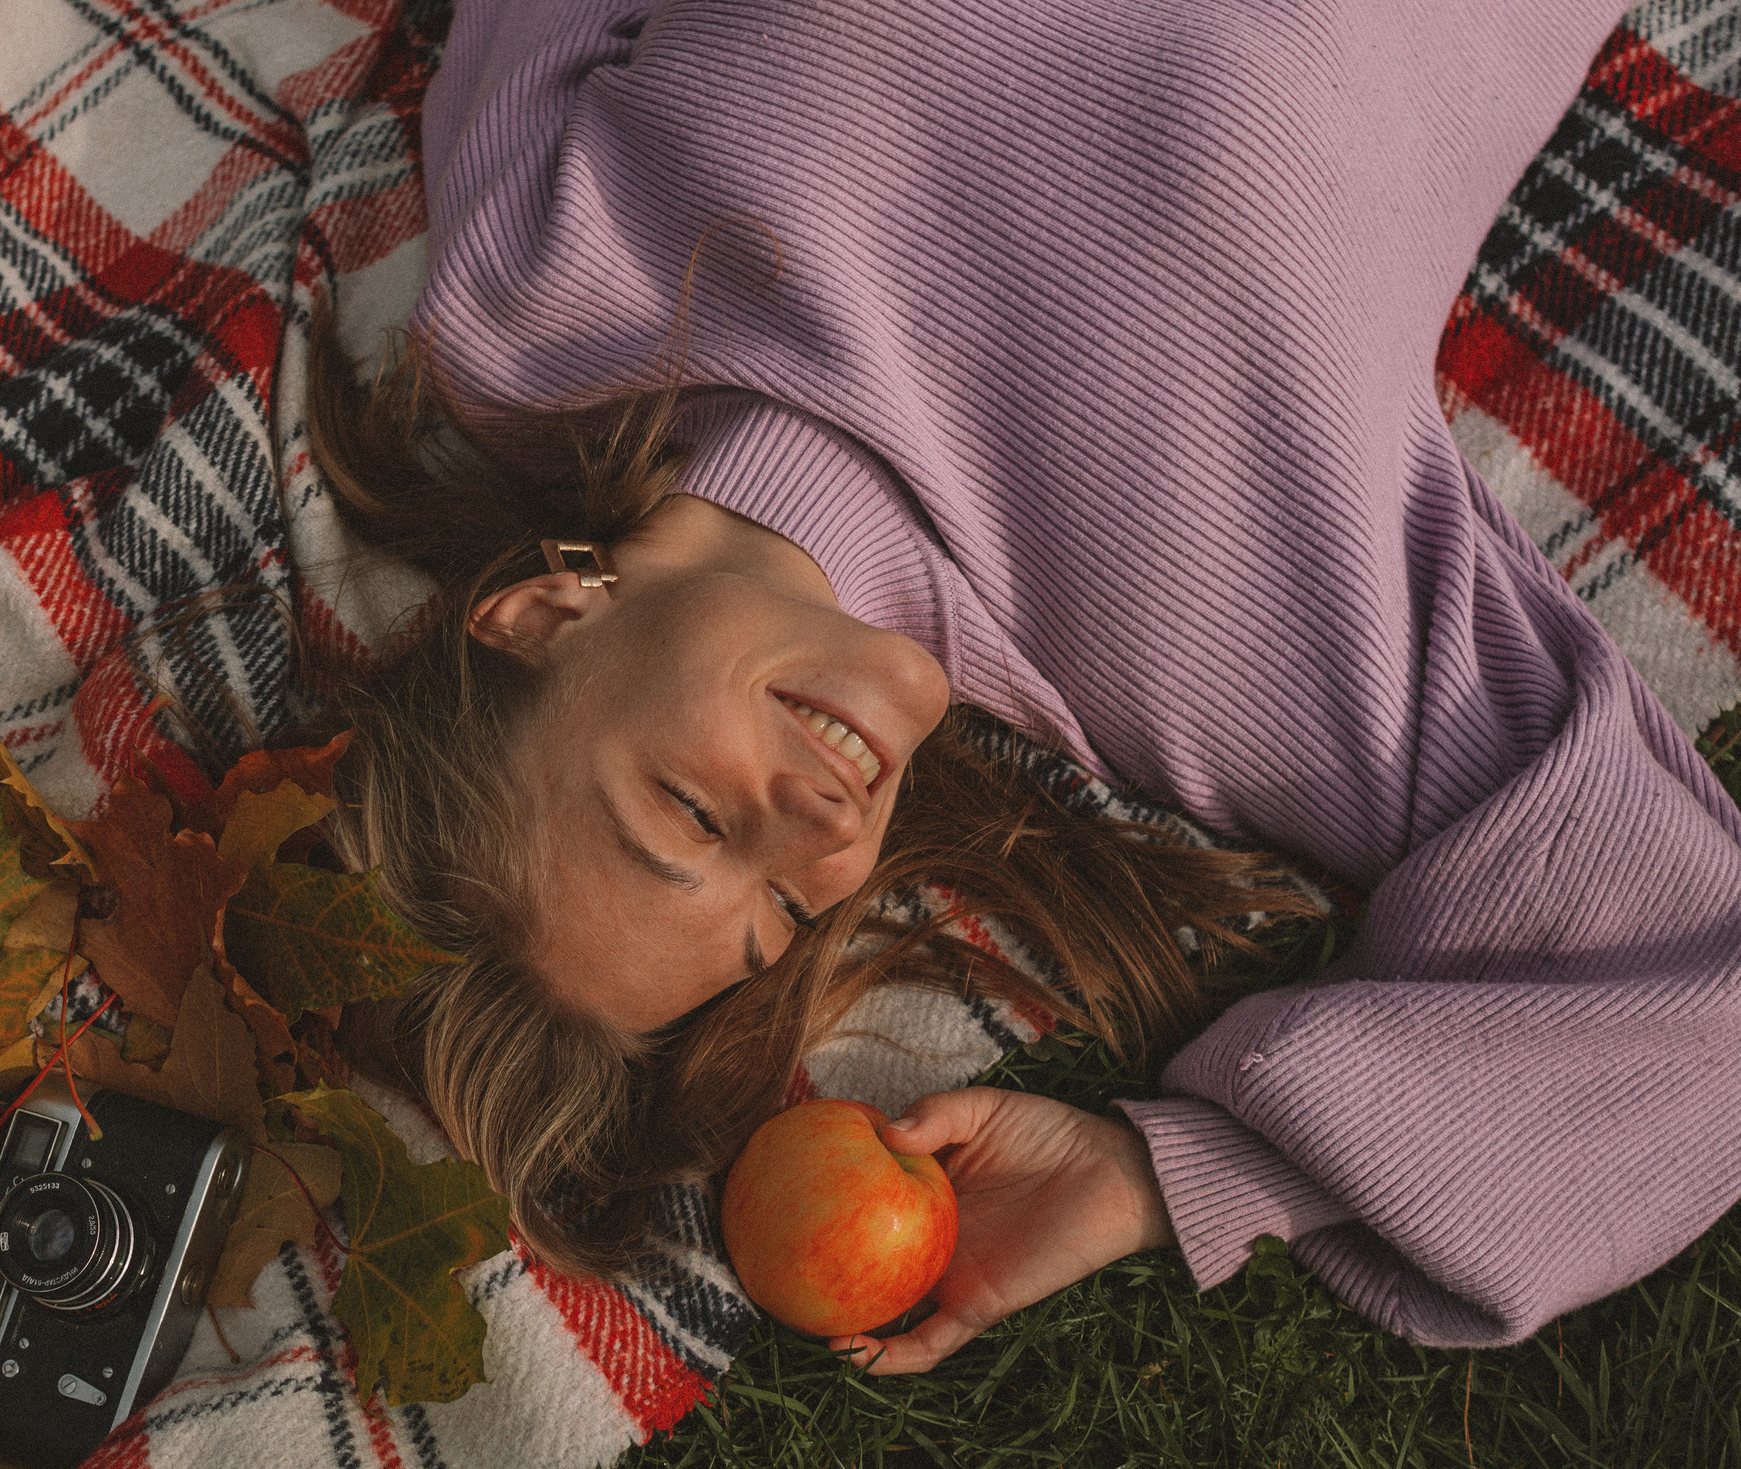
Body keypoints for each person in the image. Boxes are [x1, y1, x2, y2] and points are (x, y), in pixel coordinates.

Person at [298, 0, 1741, 1371]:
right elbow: (1694, 995)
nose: (822, 836)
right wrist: (1167, 1173)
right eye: (789, 913)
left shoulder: (533, 305)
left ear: (544, 614)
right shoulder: (1215, 654)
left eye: (688, 814)